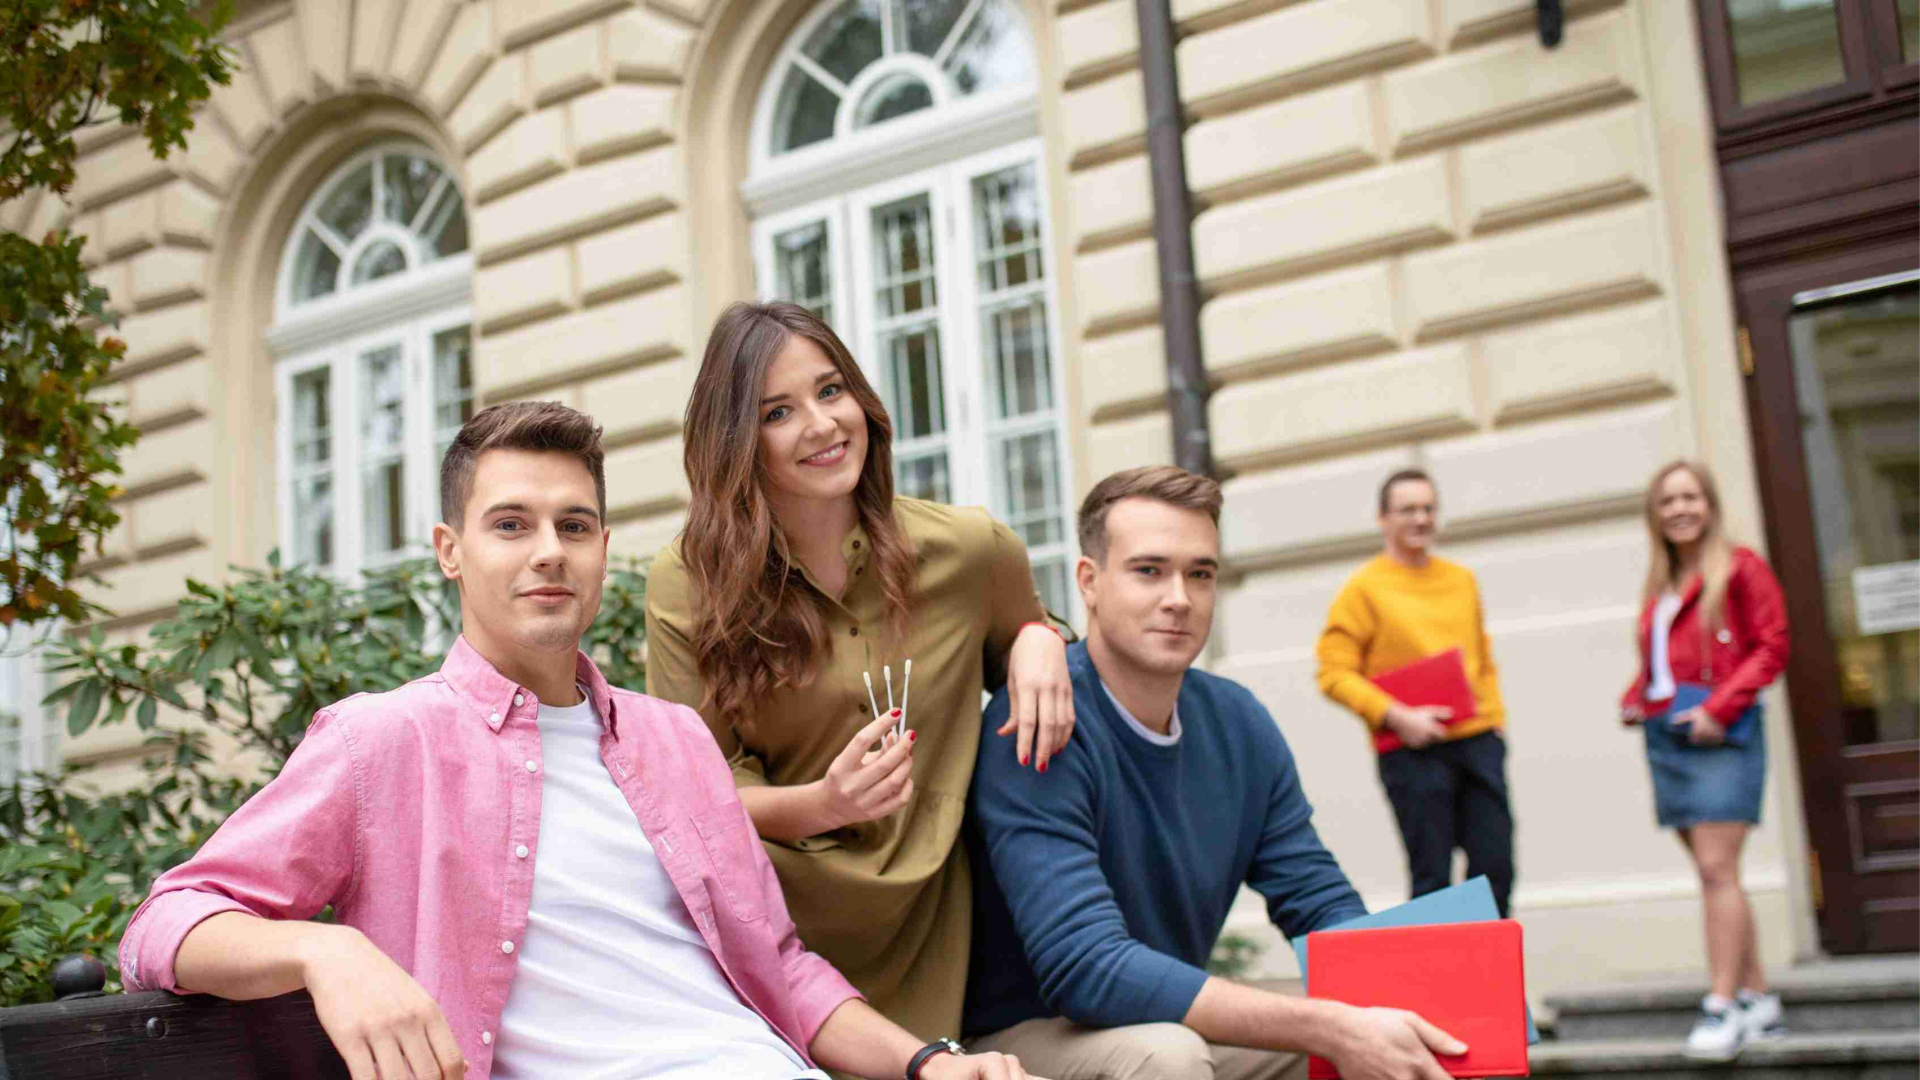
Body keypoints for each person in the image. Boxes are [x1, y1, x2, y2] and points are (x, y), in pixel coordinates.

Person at [118, 402, 1039, 1080]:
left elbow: (784, 972)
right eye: (510, 525)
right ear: (449, 550)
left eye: (575, 525)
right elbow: (164, 925)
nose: (549, 551)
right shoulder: (384, 742)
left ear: (602, 547)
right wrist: (328, 954)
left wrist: (928, 1062)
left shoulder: (675, 742)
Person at [644, 302, 1074, 1044]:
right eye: (778, 412)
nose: (822, 425)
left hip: (932, 931)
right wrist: (823, 804)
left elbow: (1033, 639)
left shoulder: (972, 549)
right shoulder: (687, 582)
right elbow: (695, 795)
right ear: (737, 441)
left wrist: (1041, 636)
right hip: (774, 942)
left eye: (831, 390)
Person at [963, 465, 1470, 1080]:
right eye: (1149, 570)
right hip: (1018, 1039)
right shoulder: (1040, 718)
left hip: (1156, 1017)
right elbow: (1085, 968)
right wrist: (1329, 1025)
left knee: (1411, 1030)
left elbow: (1315, 899)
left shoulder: (1236, 722)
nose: (1179, 598)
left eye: (1199, 574)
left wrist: (1409, 1002)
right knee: (1171, 1056)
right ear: (1089, 583)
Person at [1619, 460, 1790, 1060]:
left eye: (1690, 497)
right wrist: (1635, 697)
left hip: (1721, 734)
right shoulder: (1661, 582)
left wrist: (1720, 708)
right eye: (1667, 501)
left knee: (1718, 872)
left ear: (1710, 505)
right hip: (1669, 735)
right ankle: (1758, 998)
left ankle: (1722, 1006)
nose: (1680, 509)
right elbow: (1660, 668)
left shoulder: (1741, 568)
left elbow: (1772, 646)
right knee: (1718, 876)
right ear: (1655, 514)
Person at [1314, 468, 1516, 917]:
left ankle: (1489, 965)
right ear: (1383, 518)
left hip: (1478, 741)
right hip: (1411, 750)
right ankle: (1438, 966)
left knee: (1496, 869)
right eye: (1408, 510)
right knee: (1432, 880)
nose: (1421, 519)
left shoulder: (1461, 579)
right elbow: (1333, 673)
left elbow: (1482, 659)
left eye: (1428, 508)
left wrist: (1496, 724)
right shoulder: (1363, 589)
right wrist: (1397, 716)